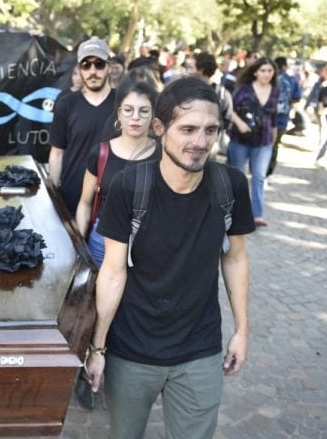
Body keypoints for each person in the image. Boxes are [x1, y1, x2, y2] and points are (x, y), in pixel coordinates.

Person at [86, 77, 254, 439]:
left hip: (200, 349)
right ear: (160, 128)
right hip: (131, 350)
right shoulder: (128, 187)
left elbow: (236, 258)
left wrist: (242, 330)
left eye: (211, 130)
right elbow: (112, 272)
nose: (199, 142)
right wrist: (98, 347)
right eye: (188, 129)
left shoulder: (231, 186)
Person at [75, 81, 158, 266]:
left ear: (153, 115)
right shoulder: (101, 153)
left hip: (149, 244)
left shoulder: (164, 155)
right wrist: (79, 245)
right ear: (119, 113)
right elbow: (85, 203)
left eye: (144, 111)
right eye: (128, 110)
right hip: (102, 241)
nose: (135, 117)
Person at [49, 38, 116, 215]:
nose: (93, 71)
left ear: (108, 67)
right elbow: (57, 153)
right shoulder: (66, 104)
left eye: (99, 64)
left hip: (112, 204)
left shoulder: (123, 104)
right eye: (86, 65)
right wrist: (52, 197)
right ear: (79, 69)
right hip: (71, 198)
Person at [228, 57, 279, 227]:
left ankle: (257, 214)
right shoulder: (244, 89)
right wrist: (240, 124)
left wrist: (273, 141)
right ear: (256, 72)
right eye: (263, 70)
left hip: (263, 141)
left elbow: (273, 118)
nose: (266, 74)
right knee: (239, 175)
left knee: (259, 176)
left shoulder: (275, 91)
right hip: (241, 139)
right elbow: (230, 109)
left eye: (270, 71)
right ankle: (236, 212)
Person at [190, 52, 233, 157]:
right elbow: (228, 120)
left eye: (192, 68)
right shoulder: (222, 93)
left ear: (200, 70)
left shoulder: (185, 90)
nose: (189, 71)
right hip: (210, 144)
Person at [267, 57, 302, 177]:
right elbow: (297, 97)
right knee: (274, 145)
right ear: (284, 66)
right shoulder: (292, 80)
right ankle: (268, 173)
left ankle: (257, 168)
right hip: (282, 120)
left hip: (265, 118)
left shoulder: (268, 77)